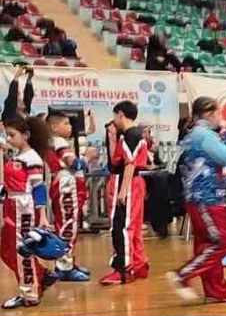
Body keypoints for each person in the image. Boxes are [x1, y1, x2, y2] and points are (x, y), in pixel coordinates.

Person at [167, 96, 226, 305]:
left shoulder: (192, 135)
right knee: (224, 241)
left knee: (206, 245)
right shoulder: (204, 136)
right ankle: (182, 275)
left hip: (197, 197)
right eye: (218, 114)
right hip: (207, 199)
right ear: (209, 114)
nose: (220, 118)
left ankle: (216, 291)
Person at [1, 116, 54, 309]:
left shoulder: (32, 159)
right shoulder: (17, 156)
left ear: (26, 135)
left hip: (23, 208)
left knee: (22, 250)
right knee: (6, 249)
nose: (9, 139)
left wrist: (42, 216)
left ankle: (29, 293)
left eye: (12, 135)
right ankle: (41, 274)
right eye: (7, 135)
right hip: (11, 205)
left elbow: (39, 188)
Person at [101, 101, 149, 285]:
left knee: (121, 226)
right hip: (130, 182)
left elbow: (130, 164)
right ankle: (138, 263)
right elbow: (116, 162)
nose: (113, 120)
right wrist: (112, 137)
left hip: (127, 182)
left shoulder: (131, 134)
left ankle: (123, 269)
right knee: (133, 226)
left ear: (120, 114)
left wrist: (122, 191)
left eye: (115, 116)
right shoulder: (129, 135)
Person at [44, 111, 91, 282]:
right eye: (66, 123)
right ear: (54, 127)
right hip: (66, 186)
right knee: (67, 226)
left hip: (64, 184)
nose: (70, 127)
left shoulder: (55, 142)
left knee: (68, 224)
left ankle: (68, 262)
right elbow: (75, 164)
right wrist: (87, 157)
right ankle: (64, 266)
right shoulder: (59, 142)